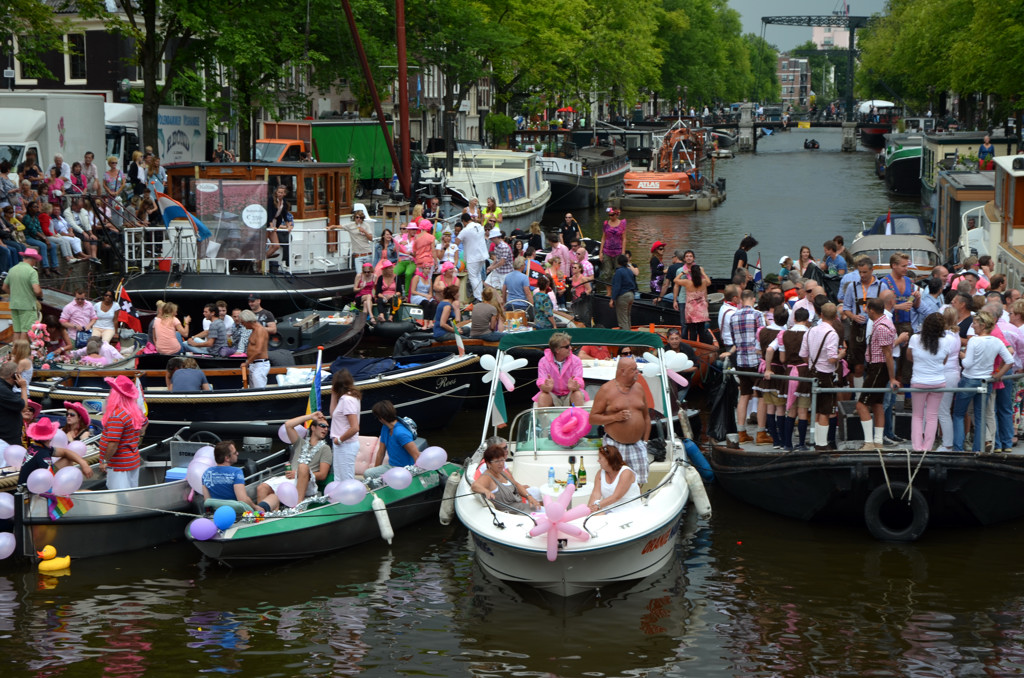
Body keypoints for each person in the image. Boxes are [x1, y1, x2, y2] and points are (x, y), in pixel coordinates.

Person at [954, 311, 1013, 452]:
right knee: (981, 417)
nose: (973, 326)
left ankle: (958, 448)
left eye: (974, 323)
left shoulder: (974, 340)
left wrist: (962, 355)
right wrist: (998, 375)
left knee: (958, 414)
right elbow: (1010, 360)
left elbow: (967, 364)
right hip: (986, 382)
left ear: (983, 325)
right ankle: (978, 449)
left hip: (969, 380)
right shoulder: (997, 341)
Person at [588, 357, 650, 485]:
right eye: (633, 370)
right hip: (614, 445)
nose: (637, 372)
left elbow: (646, 417)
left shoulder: (639, 388)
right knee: (613, 483)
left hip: (638, 445)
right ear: (622, 371)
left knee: (638, 483)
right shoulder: (606, 390)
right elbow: (593, 418)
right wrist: (615, 418)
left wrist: (645, 441)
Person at [906, 312, 956, 452]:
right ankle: (927, 448)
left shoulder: (915, 338)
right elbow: (944, 361)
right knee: (932, 416)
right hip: (938, 382)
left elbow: (909, 357)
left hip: (918, 381)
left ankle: (917, 447)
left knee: (917, 415)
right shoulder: (946, 341)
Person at [854, 299, 899, 450]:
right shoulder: (883, 323)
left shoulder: (881, 327)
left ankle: (869, 442)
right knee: (877, 404)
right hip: (877, 366)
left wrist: (892, 378)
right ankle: (878, 441)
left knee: (861, 405)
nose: (865, 311)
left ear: (872, 310)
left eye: (867, 309)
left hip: (878, 368)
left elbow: (888, 354)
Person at [801, 302, 845, 451]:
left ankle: (818, 442)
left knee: (817, 410)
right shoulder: (832, 333)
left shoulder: (810, 331)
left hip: (812, 372)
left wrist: (812, 363)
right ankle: (821, 444)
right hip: (826, 374)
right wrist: (841, 355)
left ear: (820, 315)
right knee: (826, 411)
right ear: (835, 317)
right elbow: (832, 358)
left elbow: (803, 355)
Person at [724, 290, 765, 443]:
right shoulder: (757, 314)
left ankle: (741, 431)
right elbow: (761, 335)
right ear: (754, 299)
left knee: (744, 395)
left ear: (741, 300)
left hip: (741, 360)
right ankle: (761, 433)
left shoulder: (733, 316)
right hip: (755, 360)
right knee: (761, 395)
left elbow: (734, 340)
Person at [99, 375, 147, 489]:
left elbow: (113, 444)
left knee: (119, 497)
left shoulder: (117, 416)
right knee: (130, 493)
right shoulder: (136, 411)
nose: (108, 396)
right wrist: (134, 437)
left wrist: (105, 460)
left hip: (118, 465)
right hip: (132, 461)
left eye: (111, 392)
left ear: (116, 395)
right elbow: (145, 424)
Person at [204, 440, 278, 514]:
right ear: (227, 458)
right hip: (238, 513)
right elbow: (242, 499)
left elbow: (207, 500)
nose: (237, 453)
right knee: (274, 497)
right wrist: (255, 507)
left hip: (218, 513)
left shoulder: (207, 473)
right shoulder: (236, 472)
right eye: (234, 453)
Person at [842, 256, 882, 383]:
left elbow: (887, 309)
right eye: (860, 272)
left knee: (873, 365)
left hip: (875, 328)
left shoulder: (881, 286)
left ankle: (870, 394)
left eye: (865, 272)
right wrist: (853, 316)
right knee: (858, 366)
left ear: (872, 270)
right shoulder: (852, 287)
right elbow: (846, 308)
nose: (862, 275)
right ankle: (859, 396)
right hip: (857, 329)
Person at [470, 442, 540, 512]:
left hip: (519, 506)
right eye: (497, 461)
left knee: (539, 500)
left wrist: (529, 496)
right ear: (488, 463)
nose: (501, 464)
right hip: (511, 513)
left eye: (502, 460)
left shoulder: (501, 473)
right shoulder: (487, 477)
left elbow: (516, 484)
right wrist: (486, 491)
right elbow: (474, 486)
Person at [364, 400, 420, 479]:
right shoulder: (385, 428)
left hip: (406, 469)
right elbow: (381, 452)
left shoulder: (401, 433)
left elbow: (416, 455)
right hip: (392, 467)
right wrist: (375, 472)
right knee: (369, 473)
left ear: (381, 418)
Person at [2, 247, 43, 343]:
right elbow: (36, 290)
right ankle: (22, 354)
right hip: (27, 305)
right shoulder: (32, 271)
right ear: (33, 260)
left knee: (17, 331)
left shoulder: (12, 269)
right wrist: (41, 294)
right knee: (26, 331)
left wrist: (15, 294)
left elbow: (4, 287)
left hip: (14, 304)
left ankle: (14, 354)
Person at [534, 332, 586, 407]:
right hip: (552, 393)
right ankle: (545, 419)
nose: (570, 348)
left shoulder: (576, 360)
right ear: (557, 350)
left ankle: (578, 418)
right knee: (543, 396)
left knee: (577, 394)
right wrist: (546, 387)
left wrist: (575, 385)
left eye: (570, 345)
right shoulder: (543, 361)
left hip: (570, 393)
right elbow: (541, 380)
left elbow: (579, 380)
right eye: (567, 347)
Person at [586, 444, 641, 514]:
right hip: (609, 511)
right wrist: (590, 509)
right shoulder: (600, 473)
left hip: (629, 511)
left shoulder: (626, 472)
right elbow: (595, 494)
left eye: (600, 458)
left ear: (609, 459)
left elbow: (616, 497)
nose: (598, 461)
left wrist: (597, 506)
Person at [329, 369, 361, 482]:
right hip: (341, 444)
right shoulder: (346, 398)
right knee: (338, 477)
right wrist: (333, 395)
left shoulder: (347, 400)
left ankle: (351, 499)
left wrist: (340, 440)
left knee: (346, 478)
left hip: (345, 444)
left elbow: (355, 427)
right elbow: (333, 414)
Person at [676, 263, 714, 344]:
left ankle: (694, 346)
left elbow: (675, 280)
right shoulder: (703, 282)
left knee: (692, 330)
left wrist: (683, 273)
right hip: (701, 308)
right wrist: (703, 272)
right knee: (701, 330)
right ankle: (703, 345)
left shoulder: (687, 282)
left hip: (691, 309)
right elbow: (709, 282)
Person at [456, 212, 488, 302]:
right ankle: (481, 295)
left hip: (473, 257)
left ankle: (478, 297)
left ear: (463, 221)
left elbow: (457, 242)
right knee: (478, 276)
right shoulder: (479, 226)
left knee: (473, 277)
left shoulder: (465, 230)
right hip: (482, 255)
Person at [0, 362, 29, 447]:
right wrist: (24, 387)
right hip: (6, 440)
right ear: (14, 375)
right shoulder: (3, 390)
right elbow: (24, 407)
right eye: (19, 374)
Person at [240, 310, 270, 388]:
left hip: (260, 365)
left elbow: (258, 350)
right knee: (253, 391)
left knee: (259, 391)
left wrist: (247, 363)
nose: (243, 325)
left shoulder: (260, 330)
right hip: (254, 364)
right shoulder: (254, 330)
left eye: (243, 323)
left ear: (248, 321)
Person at [610, 254, 638, 329]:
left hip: (623, 296)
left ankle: (626, 336)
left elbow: (617, 286)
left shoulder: (619, 272)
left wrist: (612, 299)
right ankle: (629, 332)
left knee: (622, 319)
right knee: (627, 317)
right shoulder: (629, 271)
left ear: (618, 263)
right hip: (631, 295)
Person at [598, 207, 626, 281]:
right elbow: (603, 238)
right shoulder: (606, 224)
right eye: (609, 215)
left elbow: (624, 239)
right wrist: (600, 252)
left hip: (618, 251)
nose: (611, 217)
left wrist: (623, 253)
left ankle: (617, 290)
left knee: (618, 272)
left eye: (612, 215)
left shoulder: (622, 223)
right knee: (607, 273)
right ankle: (609, 292)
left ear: (617, 214)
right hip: (607, 251)